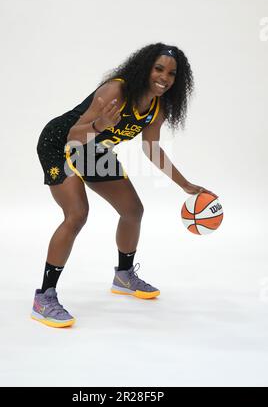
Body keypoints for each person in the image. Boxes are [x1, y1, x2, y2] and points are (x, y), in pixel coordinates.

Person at [31, 42, 217, 328]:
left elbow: (152, 150)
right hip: (60, 144)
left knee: (133, 210)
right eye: (158, 69)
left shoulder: (157, 108)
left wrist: (186, 185)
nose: (164, 77)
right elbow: (72, 134)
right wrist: (98, 125)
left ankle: (124, 276)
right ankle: (44, 296)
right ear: (145, 68)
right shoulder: (115, 91)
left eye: (171, 73)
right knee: (77, 214)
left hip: (93, 149)